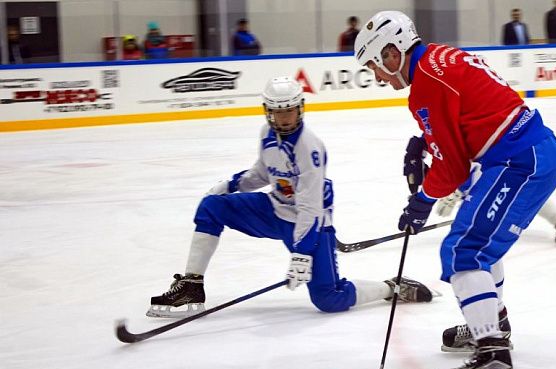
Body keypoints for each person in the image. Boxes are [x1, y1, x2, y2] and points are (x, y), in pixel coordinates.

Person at [355, 10, 556, 369]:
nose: (379, 77)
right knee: (480, 245)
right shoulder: (439, 57)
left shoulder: (426, 84)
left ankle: (493, 358)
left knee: (462, 250)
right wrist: (426, 139)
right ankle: (493, 325)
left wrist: (421, 201)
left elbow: (452, 167)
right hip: (530, 153)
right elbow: (464, 126)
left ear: (391, 50)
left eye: (375, 66)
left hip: (521, 161)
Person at [147, 76, 434, 318]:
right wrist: (232, 185)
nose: (285, 118)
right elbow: (263, 173)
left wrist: (302, 252)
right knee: (212, 208)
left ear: (301, 109)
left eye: (290, 111)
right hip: (274, 211)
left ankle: (391, 287)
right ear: (267, 112)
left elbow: (311, 208)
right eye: (278, 112)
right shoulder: (266, 134)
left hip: (312, 224)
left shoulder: (311, 149)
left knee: (328, 299)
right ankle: (191, 285)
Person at [430, 159, 556, 246]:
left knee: (523, 193)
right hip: (509, 161)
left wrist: (458, 191)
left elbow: (475, 165)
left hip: (515, 160)